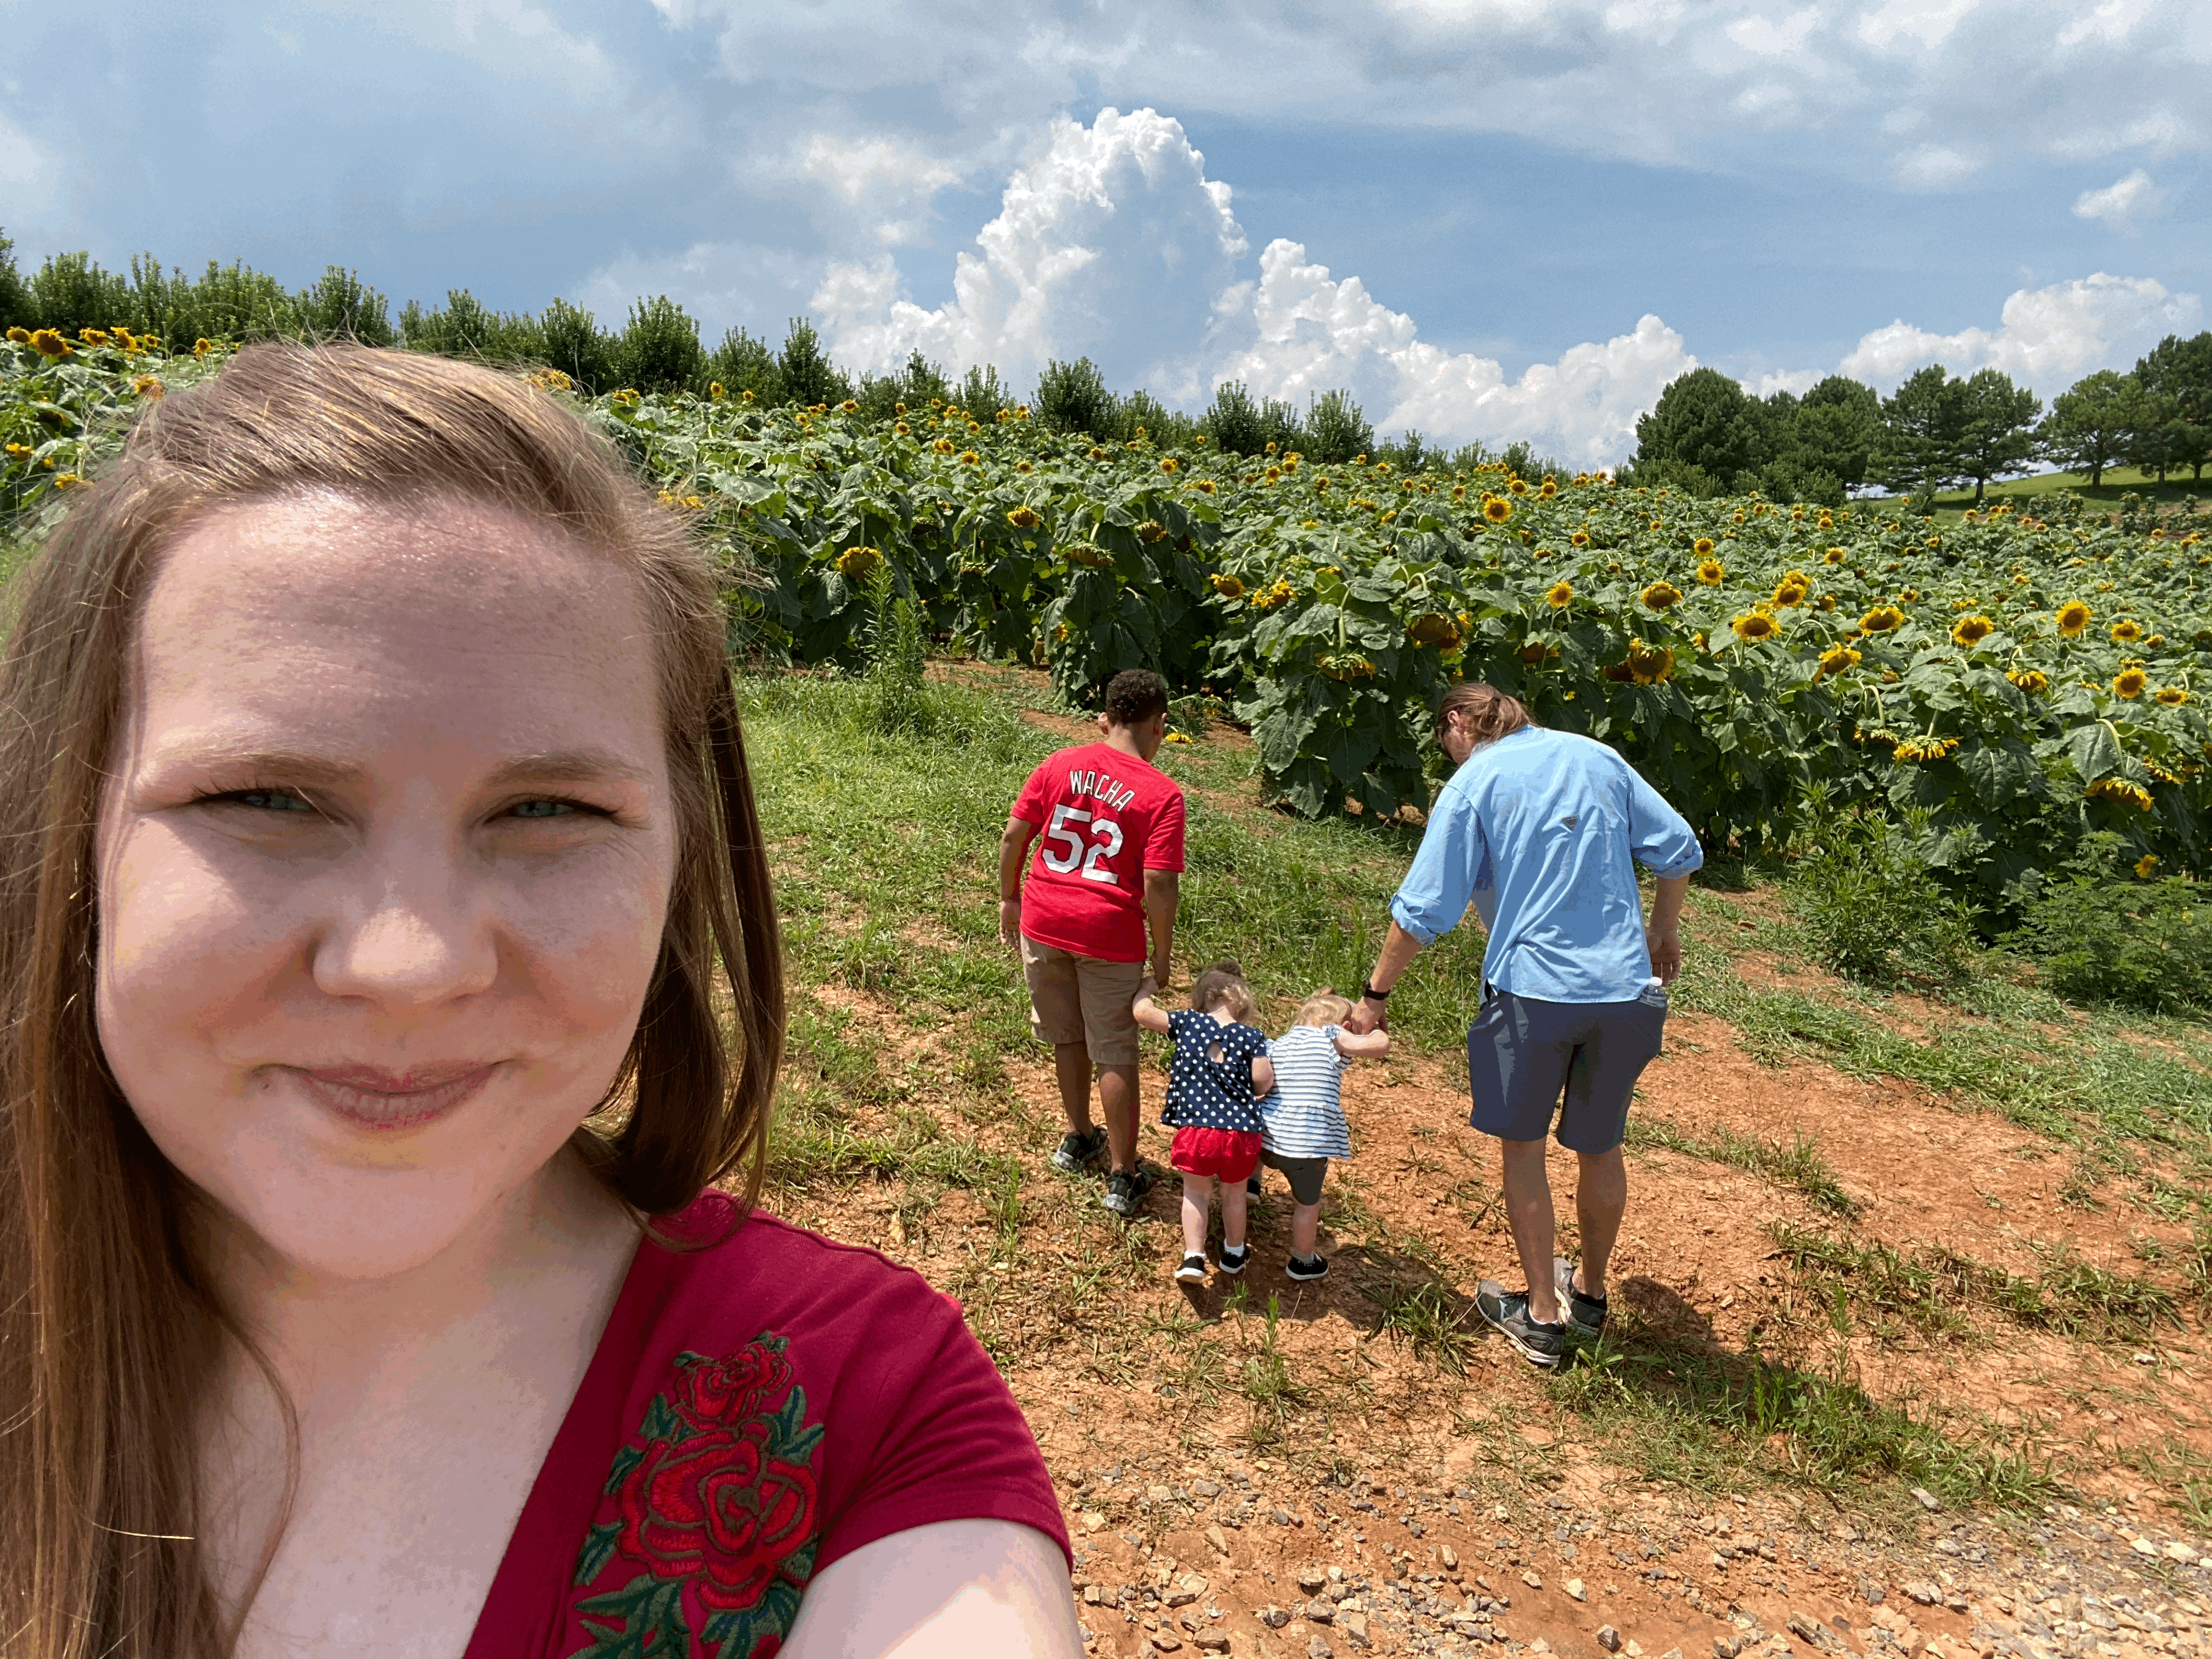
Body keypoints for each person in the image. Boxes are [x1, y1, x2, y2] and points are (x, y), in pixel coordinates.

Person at [0, 343, 1082, 1658]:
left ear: (682, 862)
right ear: (65, 837)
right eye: (264, 797)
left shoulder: (860, 1421)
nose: (410, 964)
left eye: (548, 811)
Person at [1345, 682, 1701, 1369]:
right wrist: (1663, 929)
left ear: (1457, 723)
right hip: (1626, 992)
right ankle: (1589, 1295)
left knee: (1525, 1152)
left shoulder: (1474, 782)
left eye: (1445, 741)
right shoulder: (1597, 758)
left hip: (1533, 995)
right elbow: (1678, 849)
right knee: (1601, 1147)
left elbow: (1424, 910)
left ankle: (1540, 1316)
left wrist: (1375, 994)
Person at [998, 669, 1186, 1218]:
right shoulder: (1163, 794)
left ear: (1108, 716)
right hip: (1108, 933)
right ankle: (1124, 1175)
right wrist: (1162, 954)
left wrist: (1009, 897)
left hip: (1043, 919)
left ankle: (1080, 1136)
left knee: (1068, 1036)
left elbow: (1014, 835)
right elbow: (1159, 882)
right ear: (1158, 724)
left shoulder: (1060, 763)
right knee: (1115, 1050)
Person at [1132, 960, 1273, 1284]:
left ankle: (1194, 1257)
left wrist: (1147, 988)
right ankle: (1234, 1252)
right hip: (1241, 1133)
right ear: (1242, 1001)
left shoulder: (1188, 1023)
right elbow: (1262, 1082)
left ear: (1202, 997)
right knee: (1234, 1194)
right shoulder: (1252, 1036)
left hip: (1197, 1130)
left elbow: (1143, 1014)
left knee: (1196, 1194)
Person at [1249, 992, 1391, 1282]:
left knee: (1259, 1142)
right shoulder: (1333, 1037)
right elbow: (1381, 1047)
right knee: (1307, 1205)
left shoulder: (1277, 1044)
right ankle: (1303, 1261)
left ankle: (1251, 1184)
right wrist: (1376, 1029)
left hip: (1268, 1137)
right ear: (1344, 1025)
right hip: (1308, 1148)